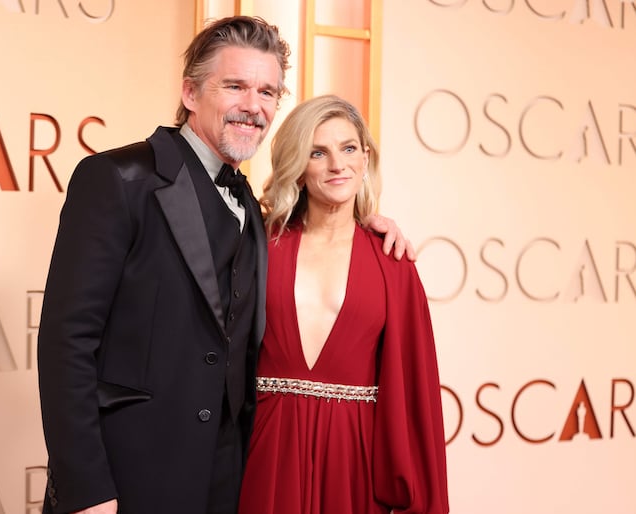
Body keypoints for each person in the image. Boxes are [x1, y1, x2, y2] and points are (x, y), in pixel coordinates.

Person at [37, 17, 413, 514]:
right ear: (190, 92)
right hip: (126, 480)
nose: (253, 106)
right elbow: (66, 345)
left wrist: (365, 225)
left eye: (267, 91)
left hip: (230, 482)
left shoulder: (256, 215)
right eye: (234, 86)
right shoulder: (117, 179)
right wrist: (87, 489)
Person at [237, 95, 449, 514]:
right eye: (319, 152)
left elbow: (415, 397)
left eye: (348, 149)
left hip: (354, 463)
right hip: (266, 451)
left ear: (365, 158)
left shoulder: (393, 264)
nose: (337, 165)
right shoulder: (258, 248)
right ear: (298, 167)